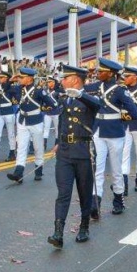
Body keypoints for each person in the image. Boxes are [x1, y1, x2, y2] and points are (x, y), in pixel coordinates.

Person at [47, 64, 102, 248]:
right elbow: (63, 122)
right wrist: (58, 141)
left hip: (83, 150)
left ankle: (84, 226)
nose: (61, 81)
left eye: (65, 78)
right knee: (63, 193)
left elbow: (97, 106)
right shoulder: (64, 99)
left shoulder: (90, 98)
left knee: (84, 192)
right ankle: (58, 232)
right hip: (65, 151)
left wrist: (81, 95)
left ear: (75, 80)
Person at [87, 58, 137, 217]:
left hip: (115, 132)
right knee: (97, 168)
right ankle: (96, 202)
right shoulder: (98, 86)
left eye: (101, 71)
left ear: (110, 73)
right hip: (98, 132)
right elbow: (83, 89)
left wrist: (122, 117)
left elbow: (134, 113)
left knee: (116, 169)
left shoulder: (120, 90)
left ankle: (118, 199)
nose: (98, 73)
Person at [8, 67, 57, 184]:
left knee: (37, 147)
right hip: (22, 121)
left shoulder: (39, 90)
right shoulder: (18, 89)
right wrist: (11, 80)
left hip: (36, 121)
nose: (19, 79)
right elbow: (6, 90)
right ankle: (18, 173)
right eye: (19, 77)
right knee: (21, 147)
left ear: (29, 78)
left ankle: (38, 171)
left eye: (22, 77)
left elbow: (53, 104)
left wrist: (45, 108)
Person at [0, 70, 18, 164]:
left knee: (11, 134)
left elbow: (7, 87)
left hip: (8, 112)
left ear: (6, 78)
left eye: (1, 77)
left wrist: (10, 81)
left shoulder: (11, 87)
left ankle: (12, 153)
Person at [42, 77, 63, 150]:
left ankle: (56, 144)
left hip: (56, 113)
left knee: (57, 129)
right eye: (47, 82)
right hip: (48, 112)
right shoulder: (45, 91)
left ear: (53, 82)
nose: (48, 83)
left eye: (50, 82)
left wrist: (56, 106)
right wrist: (44, 107)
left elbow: (60, 102)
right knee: (46, 128)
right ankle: (44, 144)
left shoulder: (58, 91)